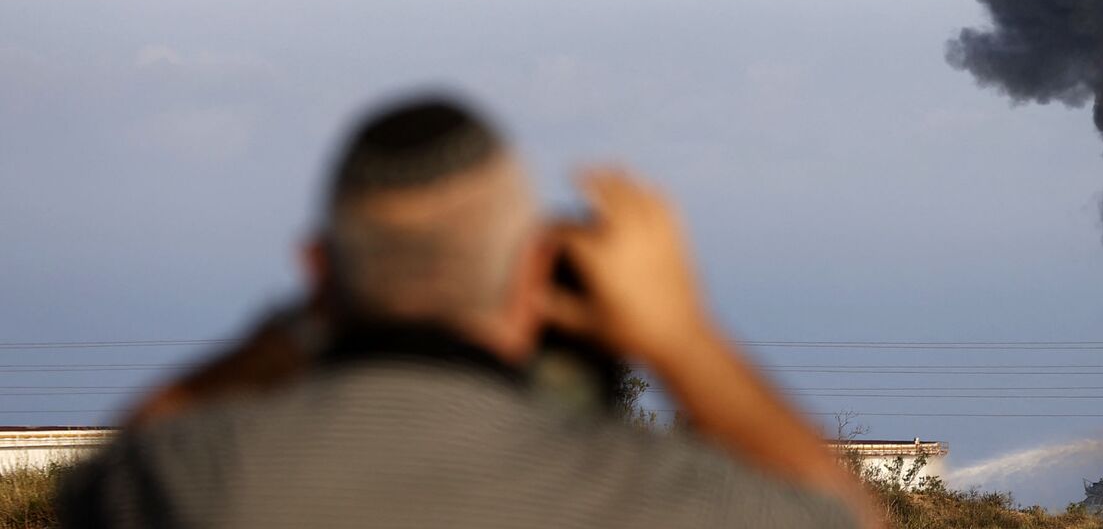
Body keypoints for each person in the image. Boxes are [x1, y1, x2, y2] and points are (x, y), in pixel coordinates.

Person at [60, 96, 879, 529]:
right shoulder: (643, 490)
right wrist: (681, 336)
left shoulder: (207, 479)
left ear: (318, 271)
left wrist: (302, 328)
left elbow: (121, 464)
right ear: (531, 274)